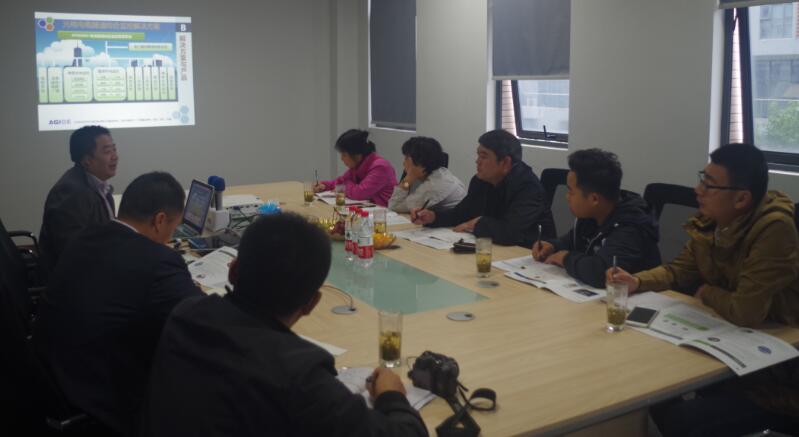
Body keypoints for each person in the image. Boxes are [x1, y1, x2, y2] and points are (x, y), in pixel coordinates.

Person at [142, 213, 428, 437]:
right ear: (312, 303)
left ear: (233, 270)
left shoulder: (186, 314)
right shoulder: (297, 374)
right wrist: (391, 395)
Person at [607, 143, 799, 436]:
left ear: (741, 198)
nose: (698, 190)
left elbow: (745, 311)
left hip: (777, 375)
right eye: (701, 179)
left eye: (709, 185)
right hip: (729, 348)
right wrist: (637, 281)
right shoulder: (714, 222)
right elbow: (679, 270)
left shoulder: (774, 229)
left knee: (681, 419)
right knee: (644, 381)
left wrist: (707, 292)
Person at [34, 172, 202, 436]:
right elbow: (202, 321)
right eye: (172, 228)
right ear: (159, 220)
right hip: (101, 398)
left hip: (54, 376)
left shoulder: (86, 236)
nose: (169, 239)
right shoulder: (158, 262)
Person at [531, 149, 660, 288]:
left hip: (632, 298)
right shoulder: (593, 215)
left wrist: (565, 258)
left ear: (594, 199)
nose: (567, 197)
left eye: (571, 192)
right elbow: (571, 241)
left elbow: (602, 273)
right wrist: (553, 246)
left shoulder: (631, 227)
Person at [411, 129, 555, 247]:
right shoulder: (481, 181)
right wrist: (433, 217)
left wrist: (477, 223)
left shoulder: (529, 188)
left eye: (484, 156)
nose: (477, 161)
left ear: (505, 163)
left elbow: (510, 233)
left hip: (529, 257)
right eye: (478, 155)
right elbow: (460, 214)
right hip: (493, 249)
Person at [315, 129, 397, 207]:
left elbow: (360, 193)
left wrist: (345, 185)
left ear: (357, 155)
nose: (341, 158)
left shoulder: (381, 167)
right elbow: (341, 181)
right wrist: (324, 185)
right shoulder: (358, 165)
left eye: (344, 155)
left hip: (387, 213)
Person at [388, 136, 466, 213]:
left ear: (419, 162)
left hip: (455, 220)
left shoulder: (433, 185)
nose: (403, 163)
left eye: (406, 158)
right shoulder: (435, 172)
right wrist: (407, 181)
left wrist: (408, 179)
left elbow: (394, 206)